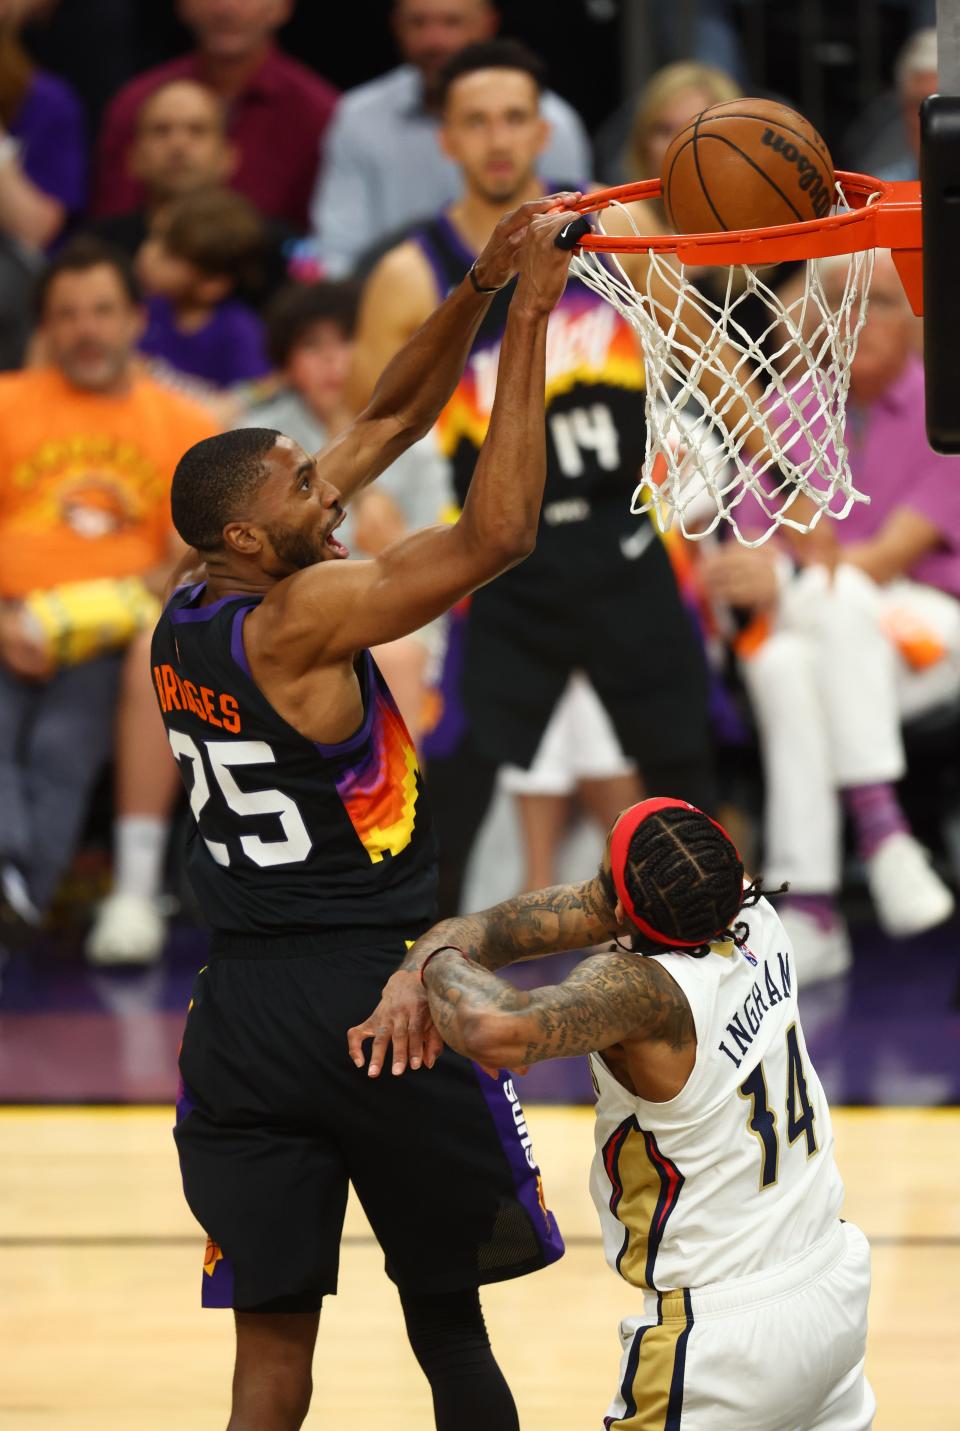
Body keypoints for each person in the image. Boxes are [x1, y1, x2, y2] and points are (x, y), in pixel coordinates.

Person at [158, 195, 583, 1431]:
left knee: (269, 1360)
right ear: (251, 531)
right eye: (303, 488)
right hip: (377, 996)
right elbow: (497, 534)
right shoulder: (306, 616)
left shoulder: (197, 600)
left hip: (237, 1014)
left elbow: (389, 418)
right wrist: (535, 325)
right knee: (447, 1322)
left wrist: (480, 282)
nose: (325, 487)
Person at [349, 797, 875, 1430]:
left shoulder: (642, 995)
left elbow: (493, 1028)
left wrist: (429, 959)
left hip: (724, 1335)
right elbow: (515, 924)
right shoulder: (744, 902)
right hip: (832, 1277)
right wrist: (449, 943)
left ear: (625, 907)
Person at [347, 40, 716, 908]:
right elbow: (374, 424)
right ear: (445, 139)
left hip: (625, 539)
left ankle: (711, 965)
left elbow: (709, 363)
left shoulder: (617, 231)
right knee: (457, 779)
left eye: (514, 117)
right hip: (495, 561)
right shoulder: (410, 273)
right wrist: (363, 513)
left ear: (545, 128)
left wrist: (782, 476)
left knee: (683, 766)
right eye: (475, 121)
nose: (498, 138)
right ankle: (416, 981)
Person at [701, 250, 959, 984]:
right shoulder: (783, 411)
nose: (862, 318)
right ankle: (875, 847)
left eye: (879, 301)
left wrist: (781, 573)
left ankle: (816, 903)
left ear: (914, 320)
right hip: (819, 635)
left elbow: (881, 558)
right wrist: (764, 573)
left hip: (928, 627)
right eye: (844, 300)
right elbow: (744, 546)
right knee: (786, 662)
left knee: (839, 601)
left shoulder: (948, 404)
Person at [0, 236, 215, 929]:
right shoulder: (8, 404)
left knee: (62, 744)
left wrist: (147, 584)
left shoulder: (186, 423)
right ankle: (15, 881)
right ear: (47, 327)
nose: (86, 330)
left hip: (111, 637)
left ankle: (21, 894)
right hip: (5, 617)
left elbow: (193, 560)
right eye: (68, 315)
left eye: (101, 311)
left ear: (135, 319)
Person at [310, 0, 590, 277]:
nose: (434, 41)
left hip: (544, 292)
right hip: (397, 297)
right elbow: (338, 258)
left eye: (452, 22)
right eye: (418, 22)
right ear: (445, 139)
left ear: (542, 134)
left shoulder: (557, 123)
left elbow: (575, 230)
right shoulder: (359, 118)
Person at [93, 0, 338, 233]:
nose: (226, 7)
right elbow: (113, 222)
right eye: (161, 130)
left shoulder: (320, 112)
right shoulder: (137, 102)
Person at [86, 79, 293, 310]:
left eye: (197, 130)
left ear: (229, 156)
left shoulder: (269, 247)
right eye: (161, 131)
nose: (178, 144)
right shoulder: (97, 249)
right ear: (134, 158)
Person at [136, 186, 270, 390]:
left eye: (169, 255)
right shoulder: (144, 312)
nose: (148, 255)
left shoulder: (239, 331)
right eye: (153, 238)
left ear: (212, 284)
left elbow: (255, 392)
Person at [847, 25, 937, 183]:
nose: (934, 123)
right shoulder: (878, 197)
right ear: (903, 109)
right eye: (919, 105)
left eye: (947, 109)